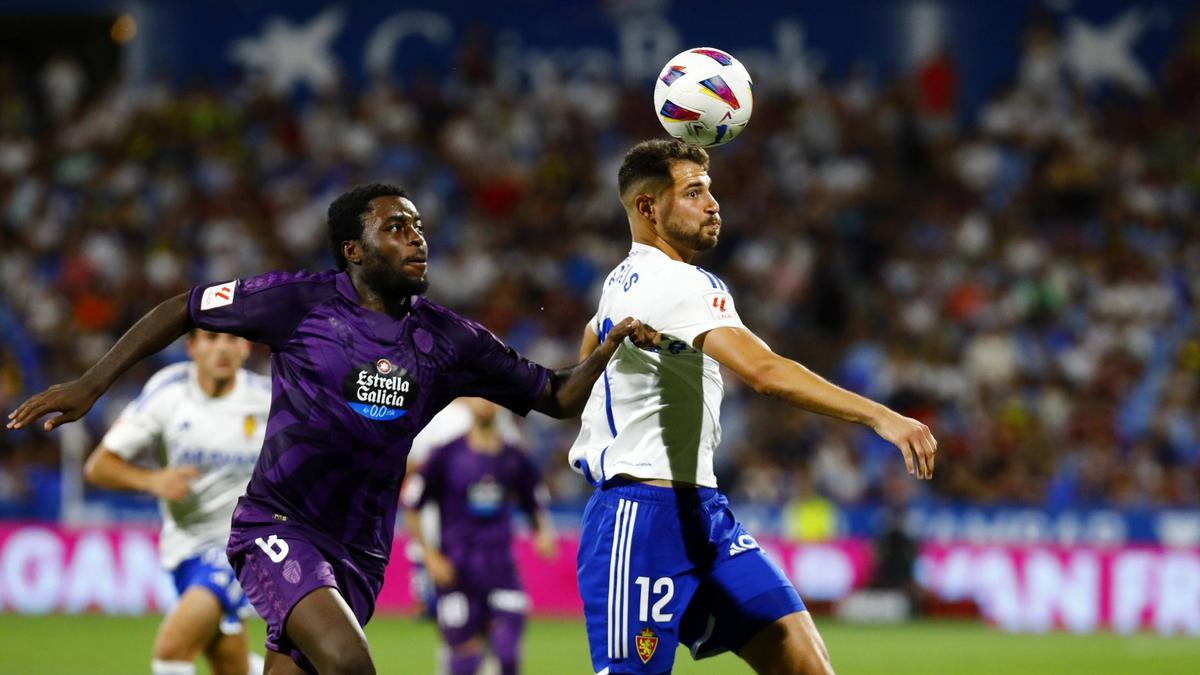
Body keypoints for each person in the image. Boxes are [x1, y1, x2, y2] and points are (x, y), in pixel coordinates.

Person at [7, 182, 655, 675]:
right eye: (396, 227)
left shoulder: (450, 340)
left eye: (418, 227)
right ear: (354, 251)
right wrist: (91, 384)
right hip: (278, 525)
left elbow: (556, 396)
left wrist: (607, 347)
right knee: (350, 664)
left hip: (361, 551)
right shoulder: (300, 302)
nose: (417, 238)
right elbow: (185, 308)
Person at [569, 140, 938, 674]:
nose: (713, 204)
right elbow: (764, 372)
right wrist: (881, 416)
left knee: (805, 663)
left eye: (710, 190)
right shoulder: (676, 282)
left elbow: (587, 356)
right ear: (648, 207)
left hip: (704, 514)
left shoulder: (621, 281)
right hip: (639, 518)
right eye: (693, 192)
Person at [83, 328, 269, 675]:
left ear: (246, 347)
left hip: (245, 546)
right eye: (211, 338)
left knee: (172, 650)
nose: (222, 348)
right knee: (233, 668)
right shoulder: (168, 394)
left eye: (232, 339)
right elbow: (98, 466)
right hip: (185, 548)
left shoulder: (267, 398)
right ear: (192, 347)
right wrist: (151, 480)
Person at [402, 396, 555, 675]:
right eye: (480, 397)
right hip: (456, 569)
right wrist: (430, 555)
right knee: (463, 659)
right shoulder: (446, 453)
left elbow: (533, 499)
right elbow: (412, 503)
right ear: (467, 403)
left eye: (492, 398)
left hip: (501, 568)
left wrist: (542, 532)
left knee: (507, 655)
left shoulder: (513, 455)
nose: (486, 403)